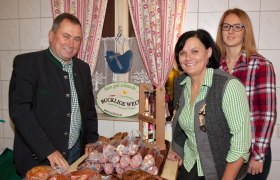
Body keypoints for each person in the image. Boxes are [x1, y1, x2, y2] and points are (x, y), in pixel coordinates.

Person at [9, 13, 99, 177]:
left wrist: (91, 139)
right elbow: (20, 112)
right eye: (66, 36)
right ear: (51, 36)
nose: (71, 44)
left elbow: (89, 109)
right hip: (39, 158)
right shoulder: (27, 64)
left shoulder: (83, 68)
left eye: (77, 39)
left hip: (75, 154)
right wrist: (48, 150)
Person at [167, 29, 251, 180]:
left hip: (222, 172)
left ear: (209, 52)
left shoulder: (228, 86)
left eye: (194, 51)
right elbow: (181, 125)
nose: (188, 58)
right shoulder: (180, 83)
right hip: (190, 164)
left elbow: (241, 145)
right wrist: (177, 150)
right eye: (182, 53)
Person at [216, 8, 277, 180]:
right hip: (223, 150)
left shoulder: (261, 65)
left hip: (252, 152)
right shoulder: (214, 68)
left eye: (237, 27)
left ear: (245, 31)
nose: (230, 31)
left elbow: (267, 114)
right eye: (226, 26)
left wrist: (258, 155)